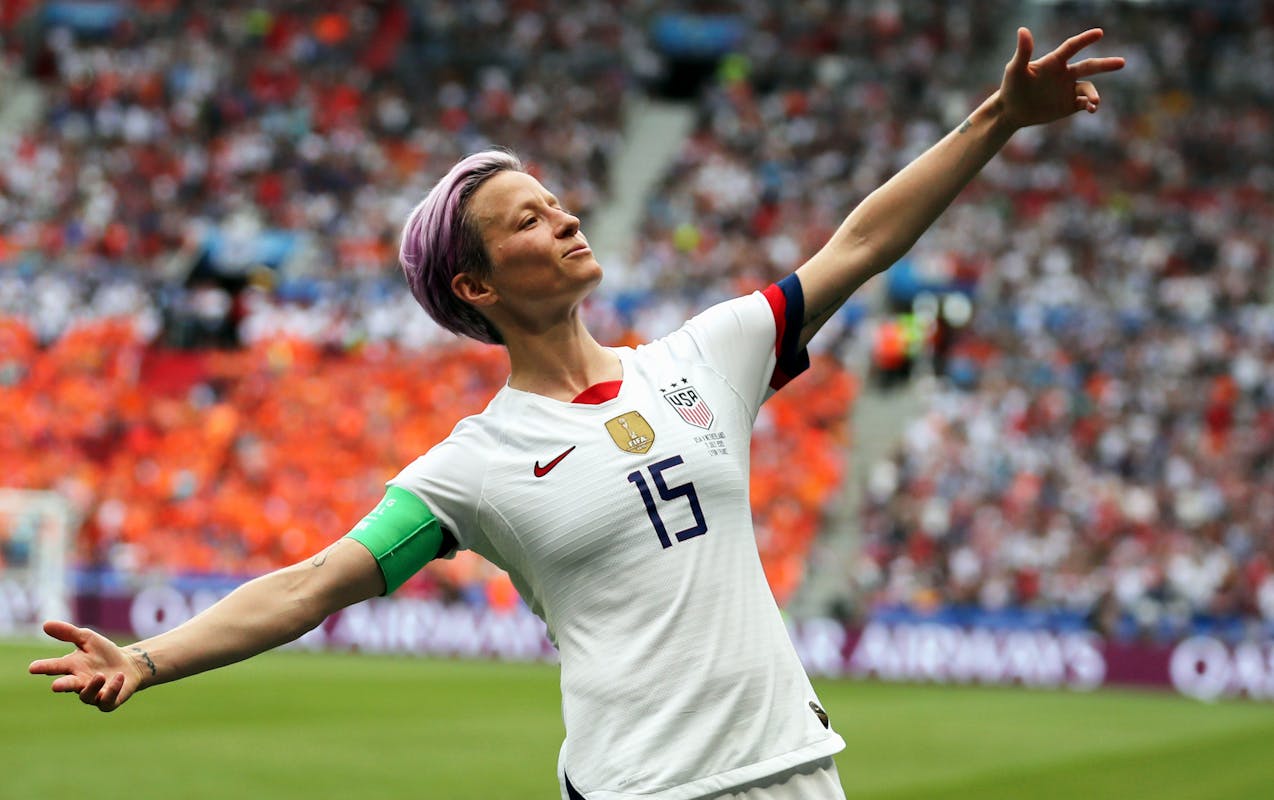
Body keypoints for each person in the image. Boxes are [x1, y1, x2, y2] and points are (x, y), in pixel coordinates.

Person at [30, 28, 1123, 800]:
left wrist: (994, 120)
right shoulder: (471, 466)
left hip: (795, 769)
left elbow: (857, 245)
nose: (561, 219)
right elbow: (313, 584)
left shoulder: (709, 357)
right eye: (525, 219)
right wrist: (149, 657)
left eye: (555, 201)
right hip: (641, 786)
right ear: (475, 285)